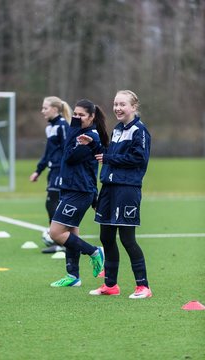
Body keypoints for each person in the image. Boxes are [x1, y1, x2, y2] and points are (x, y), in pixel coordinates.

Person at [78, 90, 152, 298]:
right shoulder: (118, 130)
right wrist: (93, 144)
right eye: (115, 104)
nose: (118, 108)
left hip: (127, 190)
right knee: (106, 237)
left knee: (127, 239)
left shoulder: (140, 130)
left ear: (134, 107)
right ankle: (110, 285)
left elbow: (139, 159)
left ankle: (143, 286)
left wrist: (110, 158)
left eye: (123, 104)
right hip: (108, 189)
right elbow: (109, 155)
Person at [49, 98, 109, 287]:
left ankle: (94, 252)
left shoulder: (92, 136)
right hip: (70, 188)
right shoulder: (78, 133)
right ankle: (73, 276)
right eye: (74, 114)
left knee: (56, 233)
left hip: (80, 190)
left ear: (91, 117)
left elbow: (69, 157)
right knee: (70, 234)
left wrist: (73, 130)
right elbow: (68, 152)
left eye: (81, 115)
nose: (76, 118)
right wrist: (74, 130)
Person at [30, 96, 71, 254]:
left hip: (61, 171)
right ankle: (58, 240)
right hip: (52, 171)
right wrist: (38, 171)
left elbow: (68, 150)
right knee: (51, 204)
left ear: (55, 109)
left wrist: (66, 170)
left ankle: (62, 241)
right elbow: (48, 153)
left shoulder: (62, 126)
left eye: (45, 108)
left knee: (54, 203)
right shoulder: (50, 128)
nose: (42, 111)